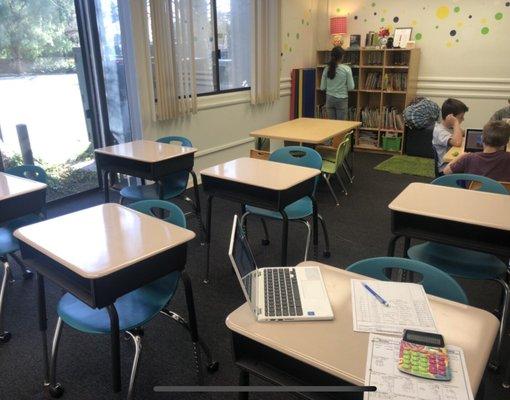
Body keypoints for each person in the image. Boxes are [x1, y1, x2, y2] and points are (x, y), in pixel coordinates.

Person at [444, 120, 510, 181]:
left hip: (474, 192)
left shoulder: (469, 158)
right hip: (502, 193)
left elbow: (446, 171)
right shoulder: (507, 158)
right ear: (505, 142)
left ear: (481, 138)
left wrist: (461, 156)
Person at [432, 98, 469, 172]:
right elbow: (457, 143)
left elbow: (464, 133)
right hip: (446, 168)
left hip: (453, 163)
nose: (463, 119)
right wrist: (456, 123)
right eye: (461, 117)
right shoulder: (439, 131)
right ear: (451, 117)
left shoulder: (450, 127)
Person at [320, 46, 355, 121]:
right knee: (341, 126)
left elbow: (322, 87)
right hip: (341, 99)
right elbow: (351, 87)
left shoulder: (326, 68)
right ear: (342, 57)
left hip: (329, 99)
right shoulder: (346, 69)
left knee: (332, 125)